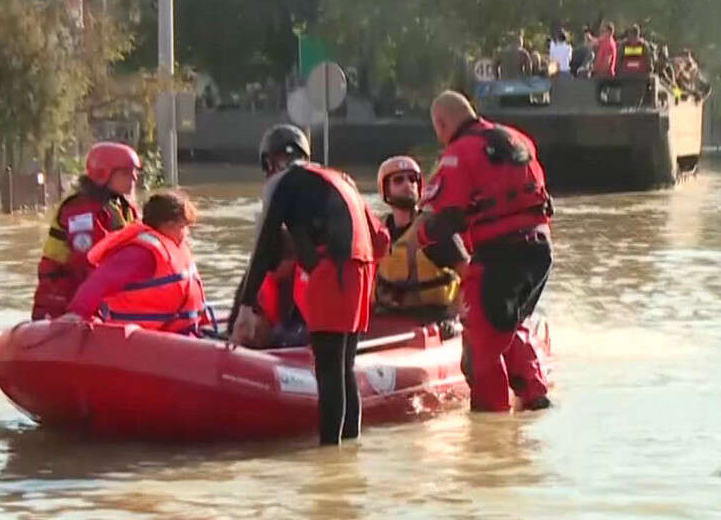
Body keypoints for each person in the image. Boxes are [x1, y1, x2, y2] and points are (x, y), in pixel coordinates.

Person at [230, 124, 387, 445]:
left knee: (328, 369)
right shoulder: (340, 178)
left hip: (333, 272)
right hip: (361, 271)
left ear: (269, 162)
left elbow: (264, 246)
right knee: (344, 367)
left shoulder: (283, 183)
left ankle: (330, 455)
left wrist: (245, 305)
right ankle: (349, 450)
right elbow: (381, 239)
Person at [415, 91, 553, 413]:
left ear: (441, 123)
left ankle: (490, 433)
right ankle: (536, 399)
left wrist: (447, 256)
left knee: (480, 352)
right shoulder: (517, 139)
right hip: (540, 251)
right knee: (508, 326)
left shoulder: (459, 154)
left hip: (501, 256)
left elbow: (440, 224)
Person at [62, 190, 211, 334]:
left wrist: (204, 322)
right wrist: (77, 312)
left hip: (182, 332)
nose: (187, 233)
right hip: (148, 338)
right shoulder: (140, 253)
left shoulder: (173, 247)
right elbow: (99, 281)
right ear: (168, 225)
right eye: (183, 227)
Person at [32, 142, 141, 320]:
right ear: (103, 174)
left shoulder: (123, 207)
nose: (134, 178)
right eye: (126, 173)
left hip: (95, 300)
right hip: (64, 302)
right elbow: (92, 264)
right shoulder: (80, 212)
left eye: (136, 172)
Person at [373, 156, 460, 318]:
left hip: (434, 319)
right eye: (398, 180)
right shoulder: (375, 231)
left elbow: (468, 273)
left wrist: (455, 315)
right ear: (385, 190)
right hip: (387, 317)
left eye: (412, 179)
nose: (408, 184)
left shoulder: (435, 228)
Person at [594, 22, 618, 103]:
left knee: (602, 97)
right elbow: (593, 42)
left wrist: (599, 73)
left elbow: (607, 62)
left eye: (603, 31)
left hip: (606, 75)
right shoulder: (604, 41)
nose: (601, 33)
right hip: (600, 74)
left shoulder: (609, 44)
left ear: (609, 32)